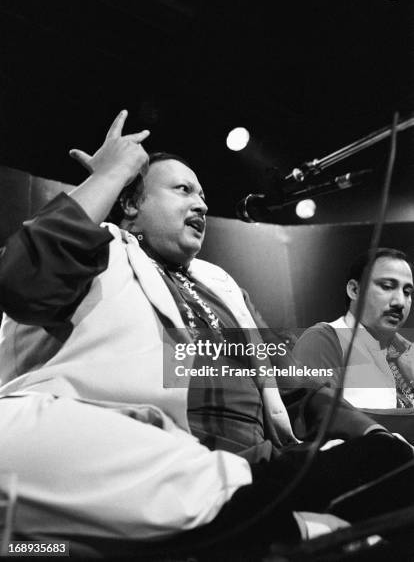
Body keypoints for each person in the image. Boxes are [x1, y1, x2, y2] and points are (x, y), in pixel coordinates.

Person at [0, 111, 413, 559]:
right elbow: (23, 282)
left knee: (394, 467)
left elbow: (296, 385)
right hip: (138, 454)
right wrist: (113, 171)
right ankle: (270, 528)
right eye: (182, 190)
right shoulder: (95, 249)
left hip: (260, 470)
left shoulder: (222, 286)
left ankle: (268, 523)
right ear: (131, 204)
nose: (201, 204)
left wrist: (373, 435)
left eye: (202, 194)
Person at [292, 248, 414, 409]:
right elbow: (315, 420)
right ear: (354, 290)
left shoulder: (408, 352)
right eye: (387, 286)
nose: (400, 302)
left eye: (407, 292)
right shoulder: (323, 341)